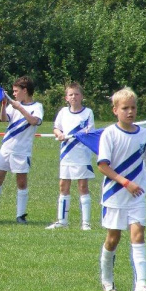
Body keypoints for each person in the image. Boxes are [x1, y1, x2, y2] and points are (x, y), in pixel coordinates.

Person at [98, 87, 146, 291]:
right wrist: (125, 182)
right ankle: (107, 280)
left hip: (137, 196)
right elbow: (103, 165)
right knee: (113, 238)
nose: (130, 112)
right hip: (115, 195)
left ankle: (141, 284)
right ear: (115, 110)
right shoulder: (109, 133)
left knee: (138, 234)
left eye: (133, 107)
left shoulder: (143, 135)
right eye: (125, 108)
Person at [0, 76, 44, 224]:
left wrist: (19, 108)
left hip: (22, 150)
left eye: (16, 91)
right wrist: (4, 105)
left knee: (21, 182)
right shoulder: (14, 105)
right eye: (13, 91)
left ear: (25, 90)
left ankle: (20, 214)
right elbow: (4, 119)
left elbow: (34, 121)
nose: (14, 94)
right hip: (7, 147)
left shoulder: (36, 106)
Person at [46, 82, 95, 230]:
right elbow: (56, 128)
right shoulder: (63, 112)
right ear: (66, 97)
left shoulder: (88, 113)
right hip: (66, 155)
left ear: (82, 96)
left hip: (81, 155)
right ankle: (62, 221)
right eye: (71, 94)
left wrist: (78, 135)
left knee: (82, 186)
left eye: (76, 94)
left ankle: (85, 223)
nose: (74, 97)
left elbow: (89, 131)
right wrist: (59, 134)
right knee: (63, 185)